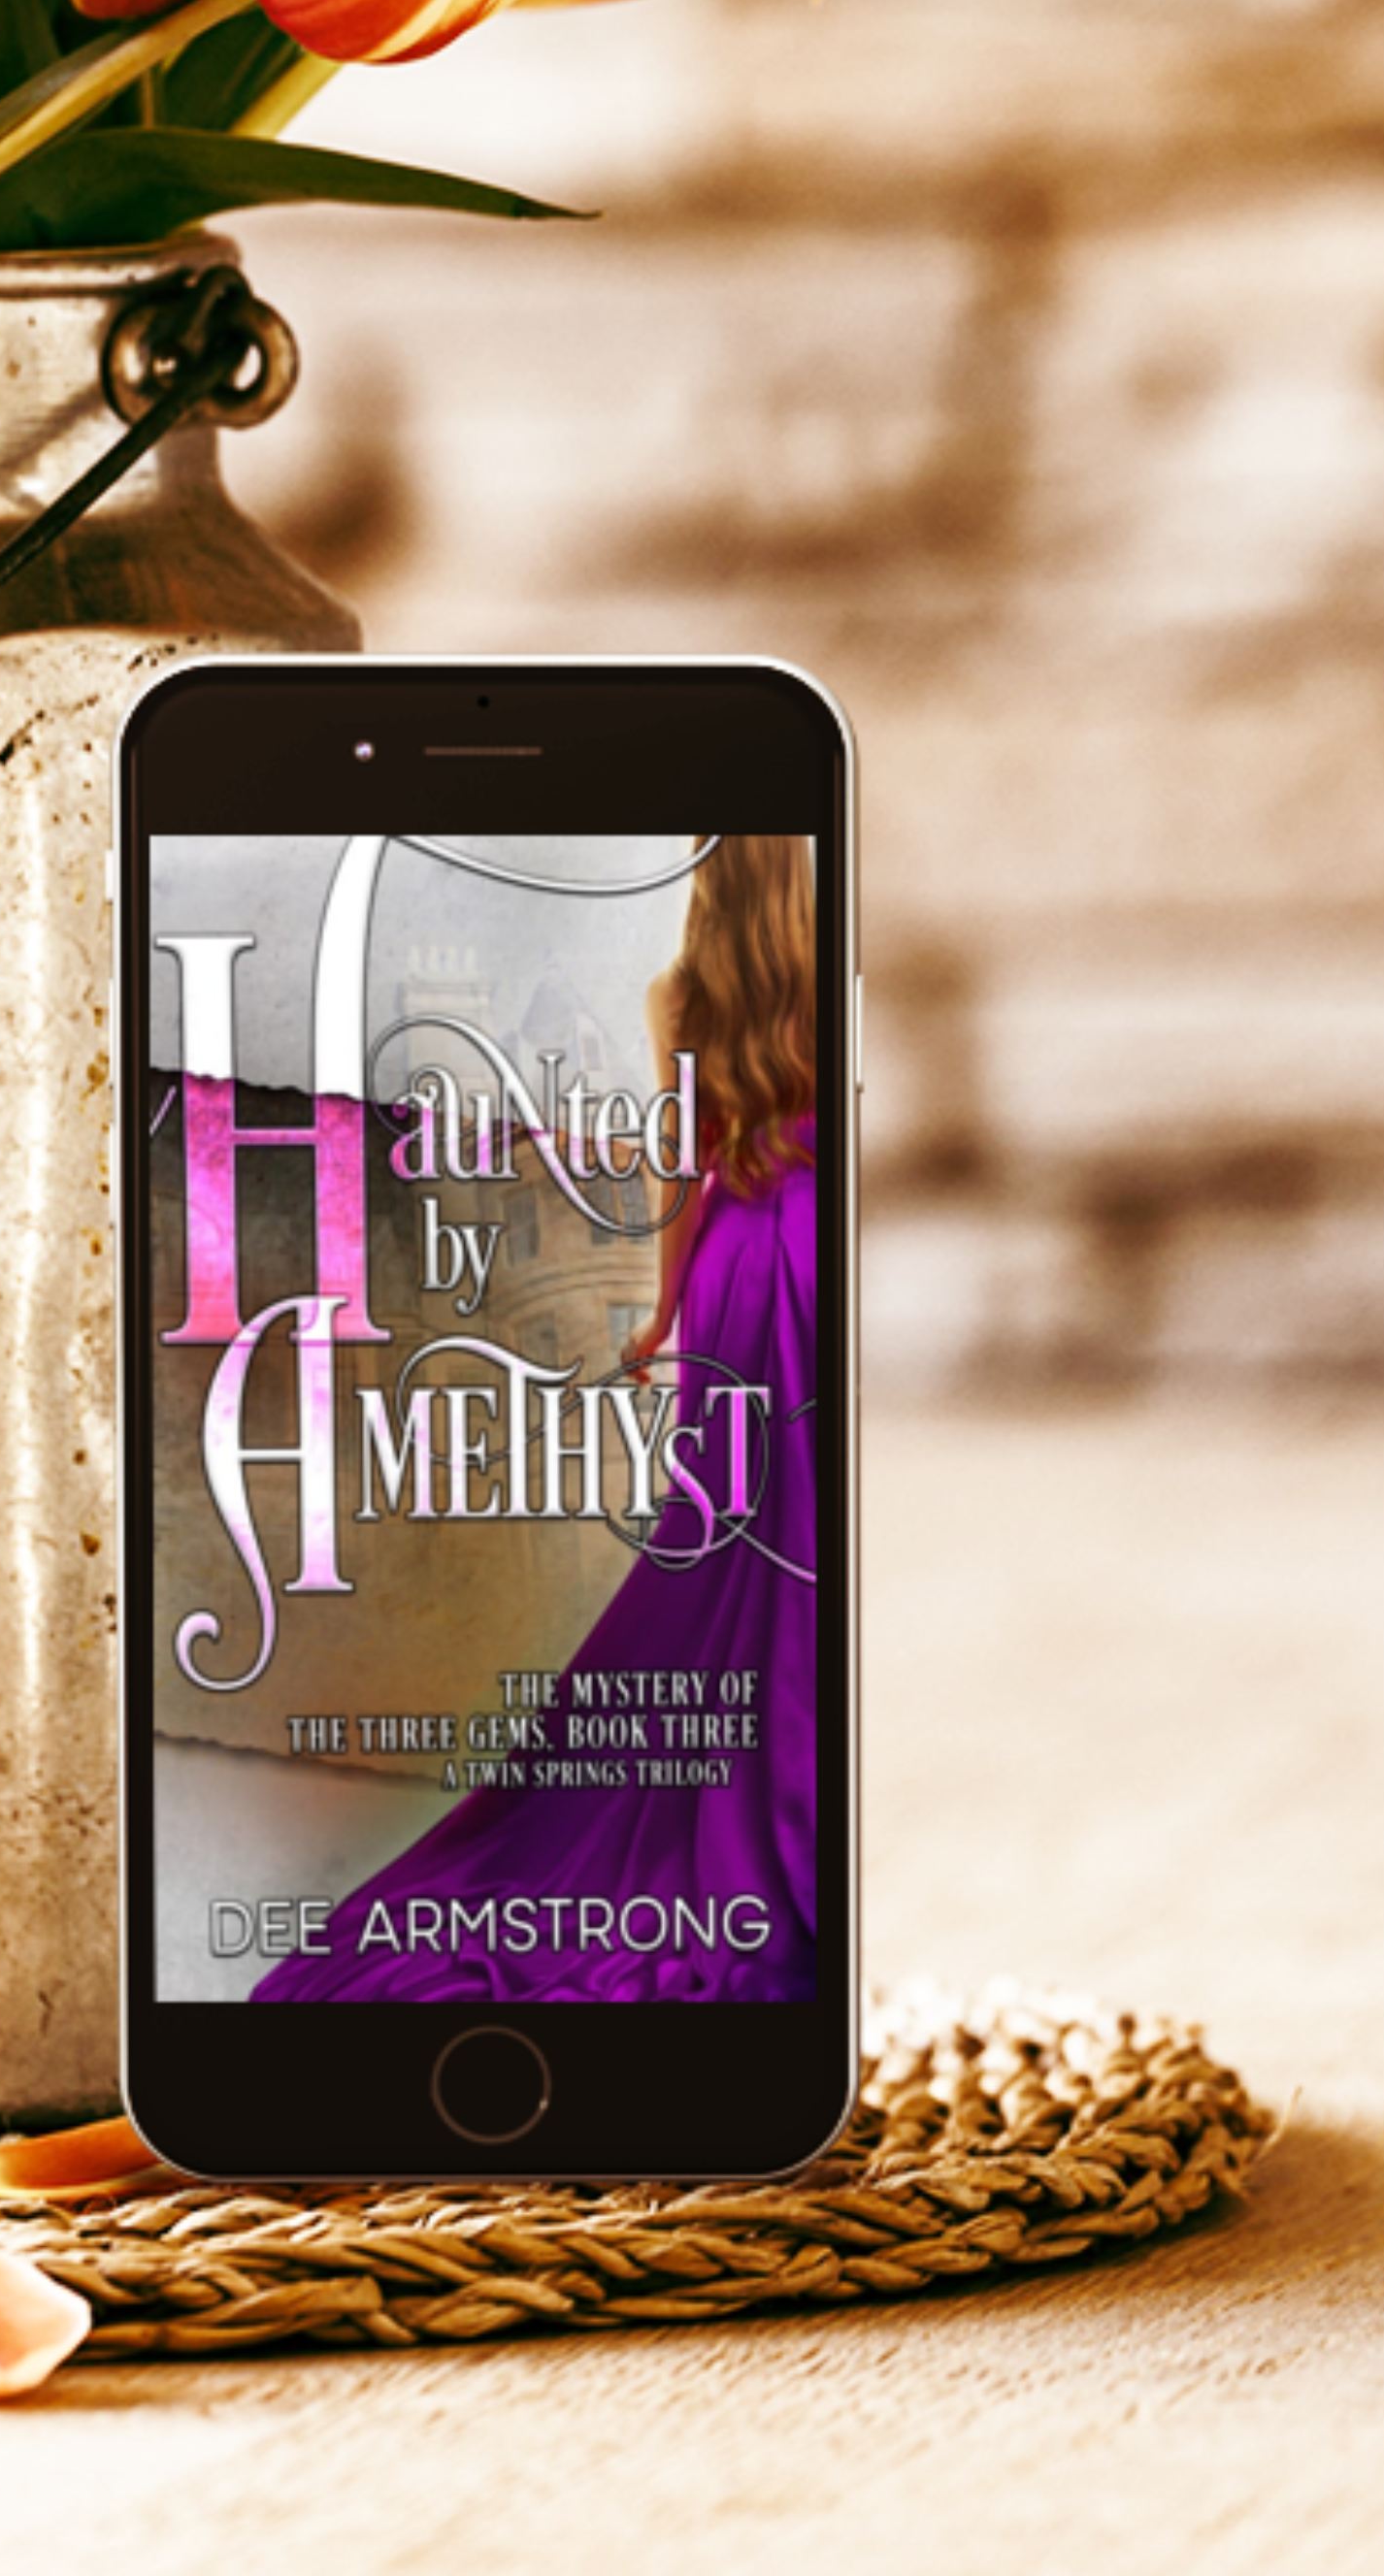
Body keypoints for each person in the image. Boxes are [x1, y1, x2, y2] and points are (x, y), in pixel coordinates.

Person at [254, 834, 821, 2004]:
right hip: (812, 1254)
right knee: (804, 1541)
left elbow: (681, 1170)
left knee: (728, 1546)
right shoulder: (822, 980)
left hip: (735, 1266)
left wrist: (664, 1313)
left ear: (712, 877)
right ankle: (802, 1815)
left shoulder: (680, 993)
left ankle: (712, 1807)